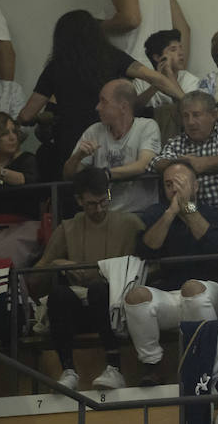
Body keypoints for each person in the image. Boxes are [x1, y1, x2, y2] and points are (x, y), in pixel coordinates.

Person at [20, 9, 182, 170]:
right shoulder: (111, 55)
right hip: (110, 136)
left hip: (72, 144)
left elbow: (27, 115)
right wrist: (185, 99)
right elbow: (154, 77)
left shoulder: (55, 67)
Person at [124, 162, 218, 384]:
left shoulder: (214, 213)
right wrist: (172, 212)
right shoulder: (157, 213)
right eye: (169, 184)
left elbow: (215, 245)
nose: (175, 189)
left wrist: (188, 208)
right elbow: (146, 249)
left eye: (181, 183)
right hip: (171, 294)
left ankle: (209, 363)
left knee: (192, 288)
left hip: (212, 294)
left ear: (196, 186)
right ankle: (153, 364)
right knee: (135, 296)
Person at [37, 167, 143, 391]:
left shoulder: (130, 224)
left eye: (104, 201)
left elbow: (153, 264)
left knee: (98, 289)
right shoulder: (68, 228)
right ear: (78, 200)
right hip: (81, 309)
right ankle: (68, 370)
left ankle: (114, 367)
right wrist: (58, 264)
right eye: (91, 204)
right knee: (59, 295)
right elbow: (36, 276)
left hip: (115, 305)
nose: (99, 209)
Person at [63, 79, 161, 213]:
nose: (97, 107)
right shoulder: (94, 131)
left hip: (140, 212)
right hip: (101, 213)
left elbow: (144, 165)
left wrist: (106, 174)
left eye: (103, 101)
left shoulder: (147, 127)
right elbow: (68, 176)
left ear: (123, 107)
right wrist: (78, 156)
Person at [151, 92, 218, 214]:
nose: (190, 122)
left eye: (196, 115)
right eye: (185, 116)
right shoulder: (176, 142)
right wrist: (182, 163)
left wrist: (205, 163)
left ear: (213, 115)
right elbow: (157, 163)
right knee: (154, 212)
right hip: (193, 209)